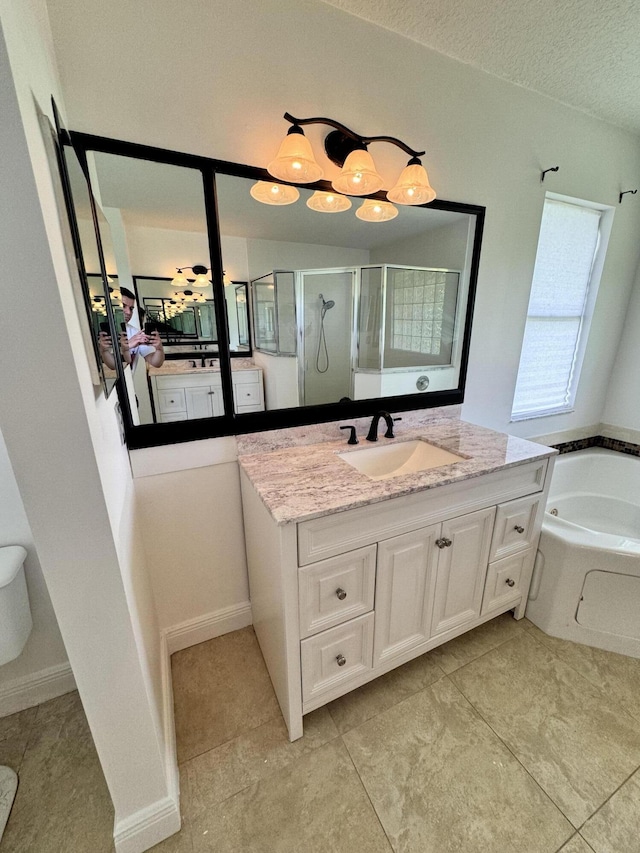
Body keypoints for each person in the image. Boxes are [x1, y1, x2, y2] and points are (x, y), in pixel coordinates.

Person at [98, 287, 165, 369]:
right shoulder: (105, 334)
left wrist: (159, 348)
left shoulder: (135, 333)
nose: (128, 312)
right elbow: (114, 366)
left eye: (131, 308)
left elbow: (156, 363)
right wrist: (104, 351)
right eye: (123, 306)